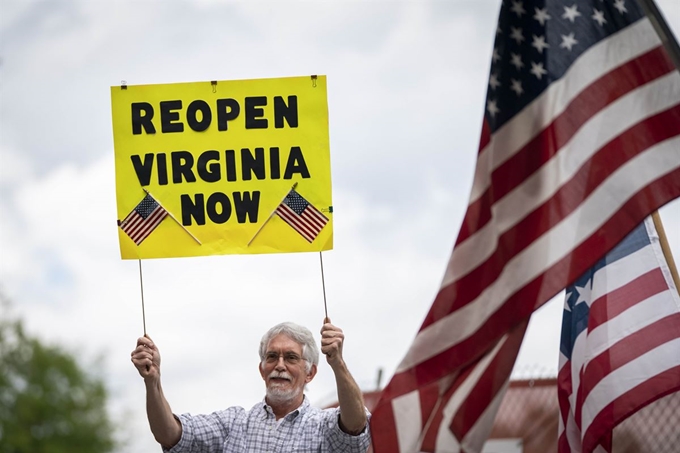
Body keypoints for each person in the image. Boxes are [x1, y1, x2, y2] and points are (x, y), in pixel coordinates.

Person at [131, 318, 371, 452]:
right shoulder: (233, 424)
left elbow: (355, 425)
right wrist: (153, 382)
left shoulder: (323, 426)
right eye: (271, 357)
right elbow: (170, 435)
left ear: (310, 373)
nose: (279, 365)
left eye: (291, 358)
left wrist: (337, 362)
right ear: (261, 370)